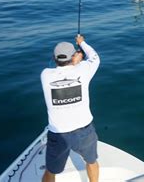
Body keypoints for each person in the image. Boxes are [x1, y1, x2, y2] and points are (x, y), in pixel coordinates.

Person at [40, 34, 100, 182]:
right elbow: (95, 57)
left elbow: (61, 68)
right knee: (92, 162)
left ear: (55, 59)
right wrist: (82, 43)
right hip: (84, 130)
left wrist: (74, 62)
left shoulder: (45, 75)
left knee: (51, 170)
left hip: (58, 134)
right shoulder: (83, 69)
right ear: (73, 56)